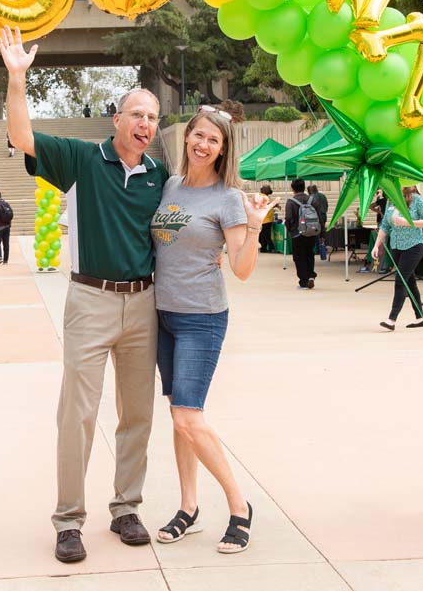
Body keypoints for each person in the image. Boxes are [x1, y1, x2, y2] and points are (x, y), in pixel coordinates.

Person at [0, 25, 168, 564]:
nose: (145, 124)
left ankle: (126, 508)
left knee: (137, 413)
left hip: (144, 303)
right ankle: (69, 520)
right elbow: (23, 137)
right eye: (136, 114)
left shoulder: (159, 177)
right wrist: (17, 78)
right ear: (116, 119)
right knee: (77, 414)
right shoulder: (80, 159)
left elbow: (174, 228)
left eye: (153, 118)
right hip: (90, 300)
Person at [150, 106, 277, 554]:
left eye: (213, 141)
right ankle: (189, 507)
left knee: (189, 415)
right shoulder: (171, 185)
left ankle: (239, 506)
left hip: (201, 318)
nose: (203, 145)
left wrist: (257, 227)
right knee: (178, 417)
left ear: (224, 149)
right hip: (162, 315)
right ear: (187, 138)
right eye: (198, 136)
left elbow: (241, 269)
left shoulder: (229, 198)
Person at [372, 185, 423, 331]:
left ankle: (392, 319)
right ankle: (420, 317)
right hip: (396, 246)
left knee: (400, 280)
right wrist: (376, 245)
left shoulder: (416, 199)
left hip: (414, 245)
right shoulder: (390, 200)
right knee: (410, 282)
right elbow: (385, 225)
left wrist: (407, 222)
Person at [285, 179, 318, 289]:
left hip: (297, 233)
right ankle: (311, 276)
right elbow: (320, 217)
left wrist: (290, 230)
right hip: (311, 232)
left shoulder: (290, 202)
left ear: (292, 188)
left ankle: (303, 281)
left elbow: (288, 218)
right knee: (309, 254)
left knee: (299, 257)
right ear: (304, 187)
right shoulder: (312, 200)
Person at [307, 184, 329, 260]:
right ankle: (323, 246)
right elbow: (327, 205)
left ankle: (317, 249)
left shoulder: (312, 197)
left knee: (316, 232)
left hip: (316, 217)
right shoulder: (323, 196)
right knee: (322, 232)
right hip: (323, 215)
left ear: (311, 190)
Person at [257, 184, 277, 253]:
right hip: (265, 219)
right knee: (266, 234)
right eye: (268, 189)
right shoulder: (263, 197)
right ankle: (270, 248)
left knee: (263, 234)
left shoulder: (264, 196)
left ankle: (264, 248)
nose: (270, 190)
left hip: (266, 219)